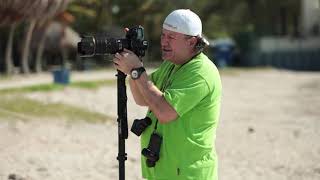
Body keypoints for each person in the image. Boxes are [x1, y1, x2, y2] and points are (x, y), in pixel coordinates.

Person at [113, 9, 222, 180]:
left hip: (188, 173)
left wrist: (136, 70)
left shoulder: (200, 72)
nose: (164, 41)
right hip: (165, 170)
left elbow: (165, 112)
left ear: (191, 42)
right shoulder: (172, 64)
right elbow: (142, 98)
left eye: (171, 37)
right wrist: (134, 65)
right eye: (163, 35)